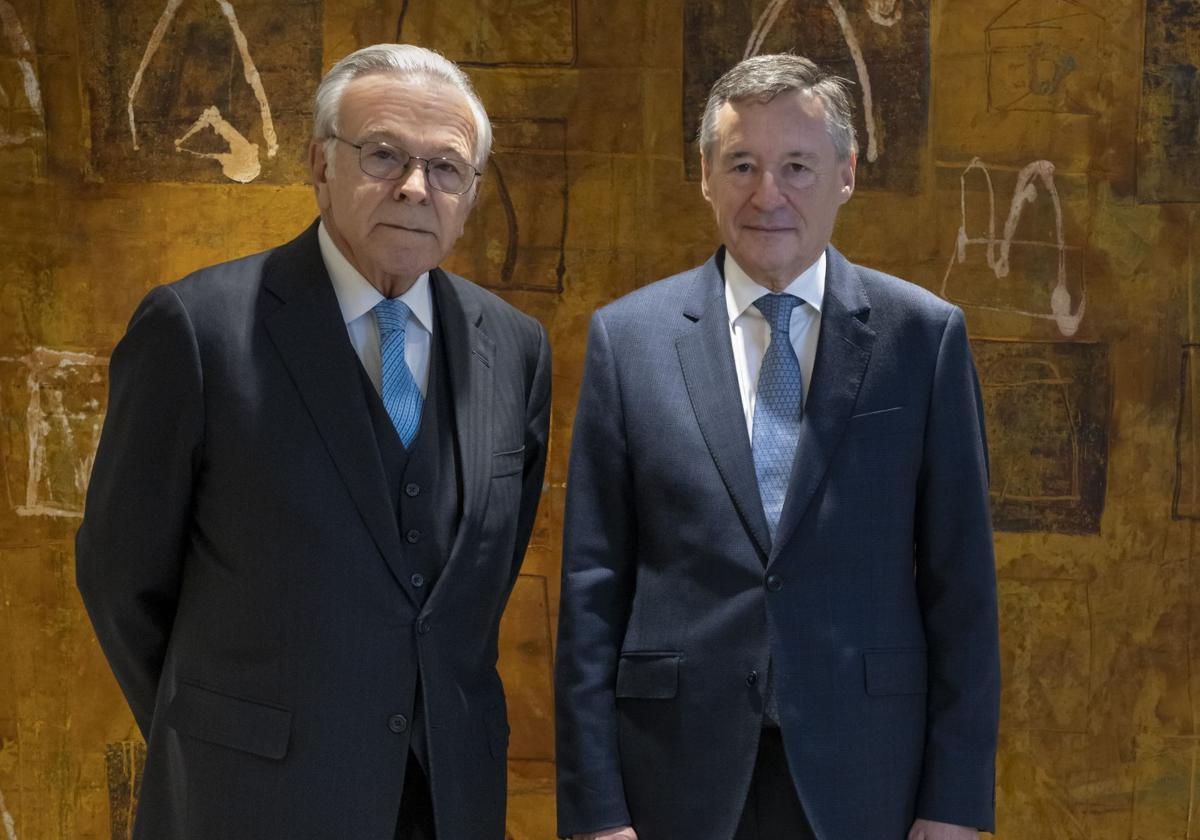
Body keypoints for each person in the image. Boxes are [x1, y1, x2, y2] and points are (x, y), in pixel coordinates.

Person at [76, 44, 550, 840]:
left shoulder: (516, 345)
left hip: (447, 800)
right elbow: (121, 578)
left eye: (446, 168)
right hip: (247, 798)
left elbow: (479, 580)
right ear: (319, 164)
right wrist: (221, 727)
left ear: (469, 194)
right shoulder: (196, 331)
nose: (414, 186)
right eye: (384, 154)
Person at [555, 54, 999, 840]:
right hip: (672, 778)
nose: (769, 194)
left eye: (796, 165)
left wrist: (955, 805)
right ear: (705, 175)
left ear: (846, 174)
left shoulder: (922, 338)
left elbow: (961, 590)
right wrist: (595, 812)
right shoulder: (629, 340)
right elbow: (592, 592)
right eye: (743, 165)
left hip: (869, 777)